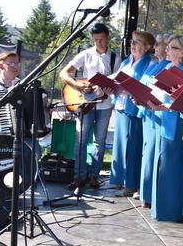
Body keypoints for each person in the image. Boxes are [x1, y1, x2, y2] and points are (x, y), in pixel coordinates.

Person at [60, 22, 121, 189]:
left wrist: (111, 88)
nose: (98, 43)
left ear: (108, 38)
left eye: (101, 39)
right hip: (85, 103)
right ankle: (78, 176)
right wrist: (78, 85)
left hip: (105, 104)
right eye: (95, 40)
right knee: (80, 139)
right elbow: (64, 72)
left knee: (99, 140)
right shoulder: (86, 54)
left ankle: (94, 175)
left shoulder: (115, 58)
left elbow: (117, 83)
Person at [146, 35, 183, 222]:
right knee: (162, 163)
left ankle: (171, 210)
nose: (167, 50)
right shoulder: (168, 68)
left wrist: (162, 106)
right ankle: (160, 207)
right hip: (162, 119)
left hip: (175, 122)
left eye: (172, 47)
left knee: (171, 165)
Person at [109, 31, 153, 197]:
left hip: (134, 109)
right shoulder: (127, 61)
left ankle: (132, 183)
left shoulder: (149, 63)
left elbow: (143, 85)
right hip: (121, 106)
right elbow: (116, 78)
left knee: (133, 146)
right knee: (121, 146)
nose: (133, 45)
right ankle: (122, 180)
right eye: (132, 41)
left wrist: (129, 90)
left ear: (147, 47)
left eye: (137, 42)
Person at [135, 32, 170, 208]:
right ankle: (146, 191)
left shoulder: (169, 66)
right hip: (149, 111)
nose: (156, 47)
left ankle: (150, 195)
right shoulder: (156, 64)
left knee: (155, 155)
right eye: (155, 44)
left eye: (160, 44)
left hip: (161, 114)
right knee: (147, 152)